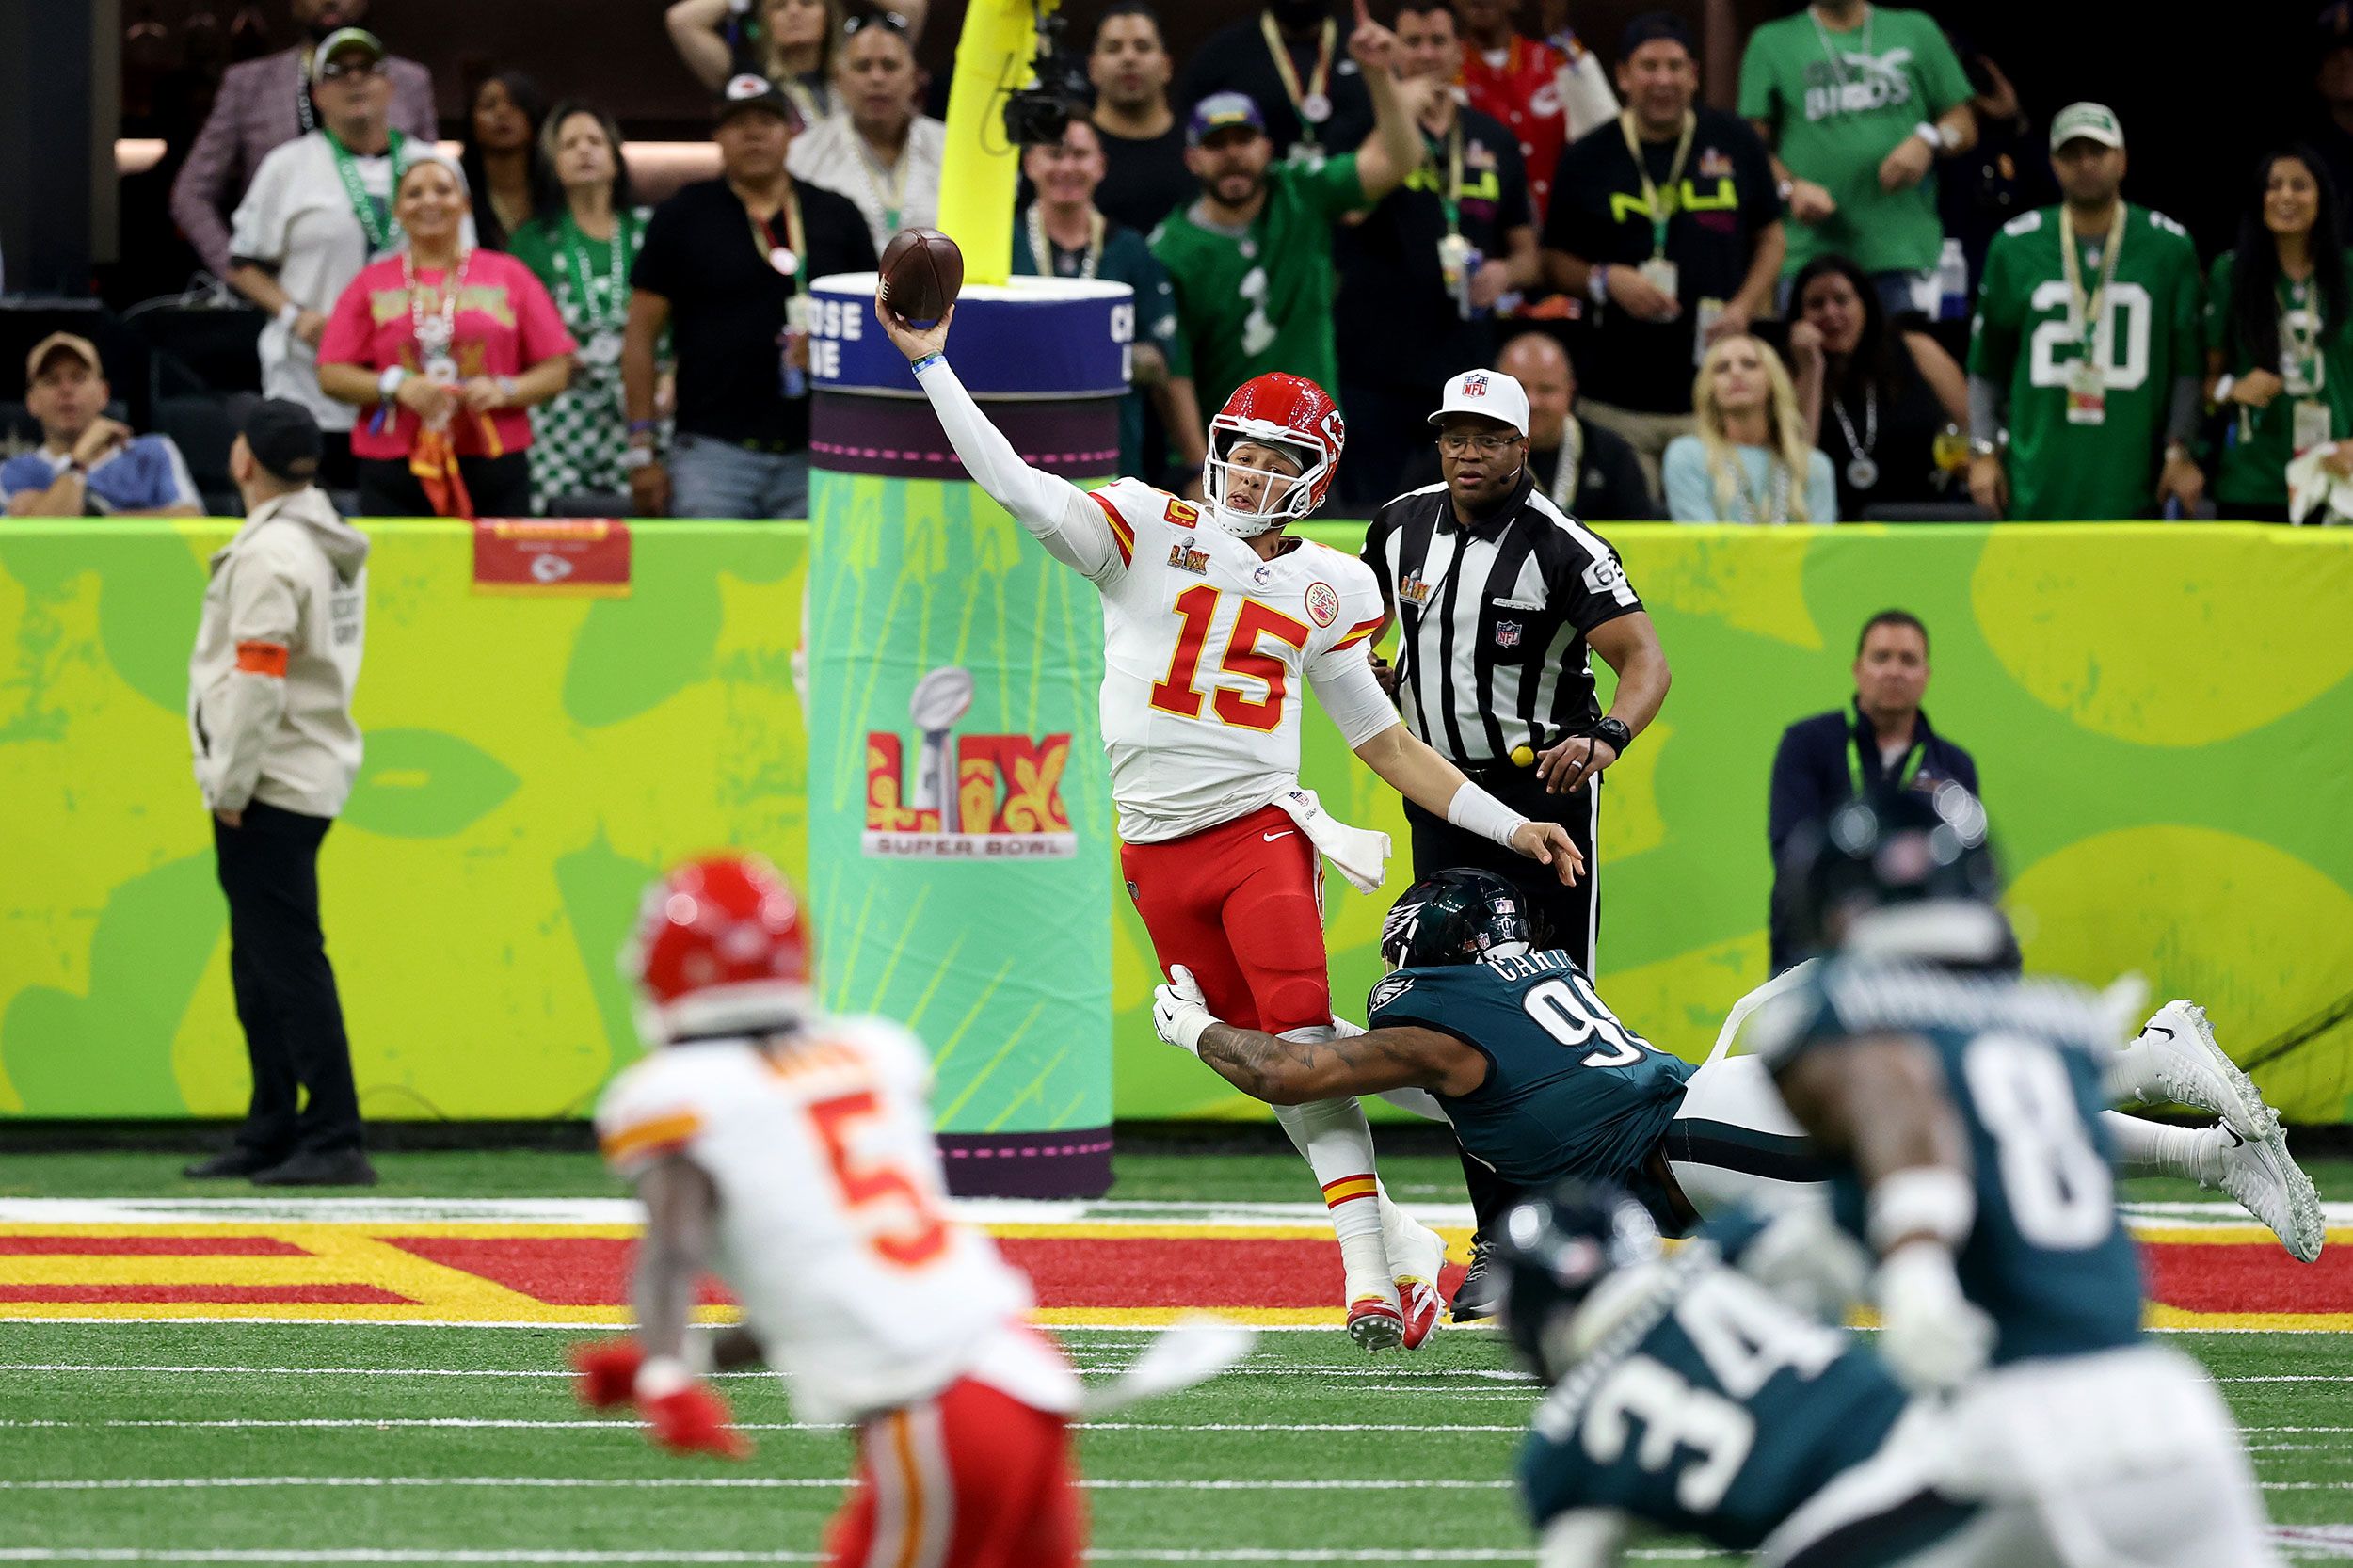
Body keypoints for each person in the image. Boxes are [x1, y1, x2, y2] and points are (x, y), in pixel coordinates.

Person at [876, 285, 1584, 1353]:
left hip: (1257, 829)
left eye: (1277, 458)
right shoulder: (1143, 525)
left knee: (1297, 1037)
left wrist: (1507, 825)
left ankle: (1367, 1279)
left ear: (1314, 479)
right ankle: (1422, 1203)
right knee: (1257, 1058)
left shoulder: (1336, 586)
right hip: (1150, 847)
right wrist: (932, 364)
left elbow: (1386, 746)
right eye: (1241, 450)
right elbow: (1015, 485)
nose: (1252, 472)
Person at [1153, 857, 2312, 1316]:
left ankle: (2155, 1057)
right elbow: (1360, 1077)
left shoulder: (1437, 1020)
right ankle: (2210, 1152)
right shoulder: (1516, 990)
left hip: (1697, 1141)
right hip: (1707, 1113)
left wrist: (1197, 1025)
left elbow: (1298, 1067)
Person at [574, 854, 1086, 1563]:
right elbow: (821, 1280)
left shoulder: (675, 1095)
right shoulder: (872, 1051)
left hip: (937, 1413)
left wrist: (664, 1373)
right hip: (1020, 1376)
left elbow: (673, 1250)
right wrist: (685, 1356)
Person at [1494, 1179, 2288, 1568]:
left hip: (1839, 1542)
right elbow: (1836, 1242)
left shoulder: (1559, 1451)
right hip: (1968, 1458)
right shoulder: (1720, 1258)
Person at [1361, 367, 1668, 972]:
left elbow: (1645, 659)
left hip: (1542, 788)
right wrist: (1370, 666)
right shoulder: (1399, 525)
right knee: (1442, 971)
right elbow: (1361, 625)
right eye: (1454, 438)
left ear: (1522, 447)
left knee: (1554, 973)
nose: (1468, 454)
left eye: (1489, 439)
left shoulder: (1566, 547)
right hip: (1438, 787)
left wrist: (1608, 736)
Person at [182, 400, 375, 1189]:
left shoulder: (270, 556)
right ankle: (272, 1124)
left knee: (287, 964)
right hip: (303, 768)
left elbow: (258, 682)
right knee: (260, 961)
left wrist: (230, 780)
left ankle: (333, 1133)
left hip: (268, 779)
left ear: (243, 460)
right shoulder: (321, 540)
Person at [1541, 13, 1785, 497]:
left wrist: (1744, 305)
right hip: (1616, 403)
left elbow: (1773, 236)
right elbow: (1553, 261)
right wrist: (1605, 279)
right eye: (1648, 67)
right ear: (1624, 76)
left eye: (1675, 67)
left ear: (1694, 75)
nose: (1663, 80)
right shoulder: (1589, 155)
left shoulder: (1734, 141)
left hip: (1712, 403)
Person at [626, 75, 876, 520]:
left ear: (791, 132)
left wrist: (829, 348)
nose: (754, 133)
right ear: (718, 137)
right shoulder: (682, 215)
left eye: (767, 120)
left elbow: (877, 328)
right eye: (738, 123)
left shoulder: (837, 215)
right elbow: (641, 337)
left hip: (817, 447)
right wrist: (641, 450)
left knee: (811, 588)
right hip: (711, 452)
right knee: (708, 583)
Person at [1153, 30, 1425, 427]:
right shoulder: (1170, 249)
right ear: (1192, 159)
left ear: (1266, 148)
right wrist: (1196, 461)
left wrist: (1379, 76)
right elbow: (1177, 374)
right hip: (1233, 446)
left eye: (1243, 140)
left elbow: (1401, 160)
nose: (1232, 155)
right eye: (1216, 144)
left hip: (1317, 437)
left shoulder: (1300, 192)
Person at [1333, 0, 1542, 506]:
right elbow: (1353, 209)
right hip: (1373, 368)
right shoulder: (1358, 127)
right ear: (1394, 52)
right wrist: (1397, 106)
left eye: (1438, 41)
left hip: (1463, 369)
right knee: (1373, 514)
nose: (1426, 54)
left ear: (1458, 51)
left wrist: (1503, 272)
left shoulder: (1493, 138)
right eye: (1412, 41)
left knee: (1464, 513)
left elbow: (1529, 256)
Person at [1966, 104, 2205, 522]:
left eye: (2098, 152)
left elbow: (2188, 364)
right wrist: (1984, 449)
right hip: (2037, 476)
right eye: (2071, 154)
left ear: (2123, 160)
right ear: (2054, 165)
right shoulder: (2014, 245)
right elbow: (1988, 363)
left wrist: (2180, 449)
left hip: (2134, 476)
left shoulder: (2169, 248)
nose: (2086, 164)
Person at [226, 27, 441, 488]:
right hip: (309, 384)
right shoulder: (287, 166)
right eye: (339, 73)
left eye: (368, 70)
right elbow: (242, 263)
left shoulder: (433, 170)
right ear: (319, 95)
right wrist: (294, 315)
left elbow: (464, 267)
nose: (355, 81)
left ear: (391, 87)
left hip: (412, 389)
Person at [315, 155, 577, 518]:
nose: (429, 201)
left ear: (466, 204)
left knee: (494, 574)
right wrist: (397, 386)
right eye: (414, 193)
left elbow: (557, 369)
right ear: (397, 210)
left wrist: (505, 391)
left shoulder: (509, 275)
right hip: (394, 464)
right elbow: (331, 374)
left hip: (494, 458)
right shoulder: (370, 283)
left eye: (443, 189)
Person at [1765, 610, 1976, 973]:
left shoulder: (1953, 764)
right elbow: (1793, 851)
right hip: (1816, 954)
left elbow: (1963, 863)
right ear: (1858, 669)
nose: (1894, 670)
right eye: (1881, 657)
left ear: (1925, 676)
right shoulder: (1807, 744)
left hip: (1923, 963)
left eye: (1908, 660)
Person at [1738, 0, 1978, 313]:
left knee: (1908, 360)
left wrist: (1929, 139)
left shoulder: (1917, 30)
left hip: (1903, 255)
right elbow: (1748, 149)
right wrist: (1789, 188)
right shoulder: (1771, 41)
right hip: (1809, 258)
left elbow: (1964, 125)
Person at [170, 0, 437, 281]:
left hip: (394, 281)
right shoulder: (250, 84)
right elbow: (191, 193)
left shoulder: (409, 81)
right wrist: (240, 275)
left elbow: (438, 187)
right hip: (284, 287)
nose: (330, 1)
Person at [1013, 119, 1202, 486]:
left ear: (1100, 165)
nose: (1067, 167)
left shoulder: (1131, 251)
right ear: (1030, 164)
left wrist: (1063, 353)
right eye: (1054, 155)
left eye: (1080, 155)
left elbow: (1159, 361)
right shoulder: (1003, 245)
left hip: (1112, 460)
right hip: (1021, 458)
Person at [509, 103, 655, 511]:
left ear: (615, 158)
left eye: (595, 141)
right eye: (569, 144)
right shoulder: (532, 241)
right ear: (553, 165)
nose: (584, 151)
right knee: (560, 534)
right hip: (559, 416)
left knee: (642, 534)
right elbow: (513, 332)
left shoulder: (651, 231)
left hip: (641, 410)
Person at [2205, 148, 2353, 522]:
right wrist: (2231, 390)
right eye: (2274, 186)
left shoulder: (2349, 274)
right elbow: (2203, 380)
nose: (2286, 196)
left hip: (2337, 475)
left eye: (2300, 186)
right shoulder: (2230, 274)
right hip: (2253, 480)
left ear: (2322, 198)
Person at [1785, 251, 1969, 519]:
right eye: (1816, 304)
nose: (1830, 312)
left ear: (1865, 305)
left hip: (1925, 518)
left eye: (1841, 300)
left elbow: (1970, 423)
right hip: (1833, 528)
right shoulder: (1791, 371)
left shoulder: (1917, 350)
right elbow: (1797, 464)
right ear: (1799, 318)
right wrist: (1811, 370)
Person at [786, 12, 946, 253]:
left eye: (890, 66)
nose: (876, 78)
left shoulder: (952, 149)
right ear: (839, 80)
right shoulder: (802, 155)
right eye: (862, 67)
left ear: (914, 78)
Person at [1454, 0, 1619, 222]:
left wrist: (1561, 35)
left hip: (1562, 228)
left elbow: (1609, 136)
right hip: (1483, 231)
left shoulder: (1554, 59)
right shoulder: (1450, 70)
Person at [4, 334, 201, 518]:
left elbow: (192, 520)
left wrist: (89, 514)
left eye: (78, 378)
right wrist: (79, 460)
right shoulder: (11, 474)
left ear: (103, 393)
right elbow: (32, 547)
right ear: (31, 401)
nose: (66, 390)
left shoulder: (152, 453)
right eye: (51, 381)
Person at [1664, 335, 1835, 523]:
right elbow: (1701, 544)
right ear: (1710, 388)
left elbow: (1822, 549)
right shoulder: (1688, 455)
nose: (1735, 372)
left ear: (1773, 380)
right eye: (1722, 368)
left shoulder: (1813, 465)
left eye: (1749, 364)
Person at [1180, 0, 1375, 166]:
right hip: (1254, 205)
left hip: (1370, 198)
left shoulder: (1370, 48)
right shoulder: (1221, 55)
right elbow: (1187, 140)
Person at [1089, 1, 1195, 237]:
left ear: (1167, 66)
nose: (1129, 58)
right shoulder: (1071, 152)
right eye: (1113, 48)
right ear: (1093, 68)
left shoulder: (1197, 146)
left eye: (1143, 47)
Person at [665, 0, 856, 130]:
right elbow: (681, 21)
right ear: (766, 22)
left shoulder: (861, 78)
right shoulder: (751, 79)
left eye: (807, 2)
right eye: (779, 6)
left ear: (828, 16)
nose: (794, 11)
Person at [460, 70, 553, 255]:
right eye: (488, 106)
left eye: (516, 104)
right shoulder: (457, 193)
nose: (502, 112)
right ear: (471, 121)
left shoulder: (558, 190)